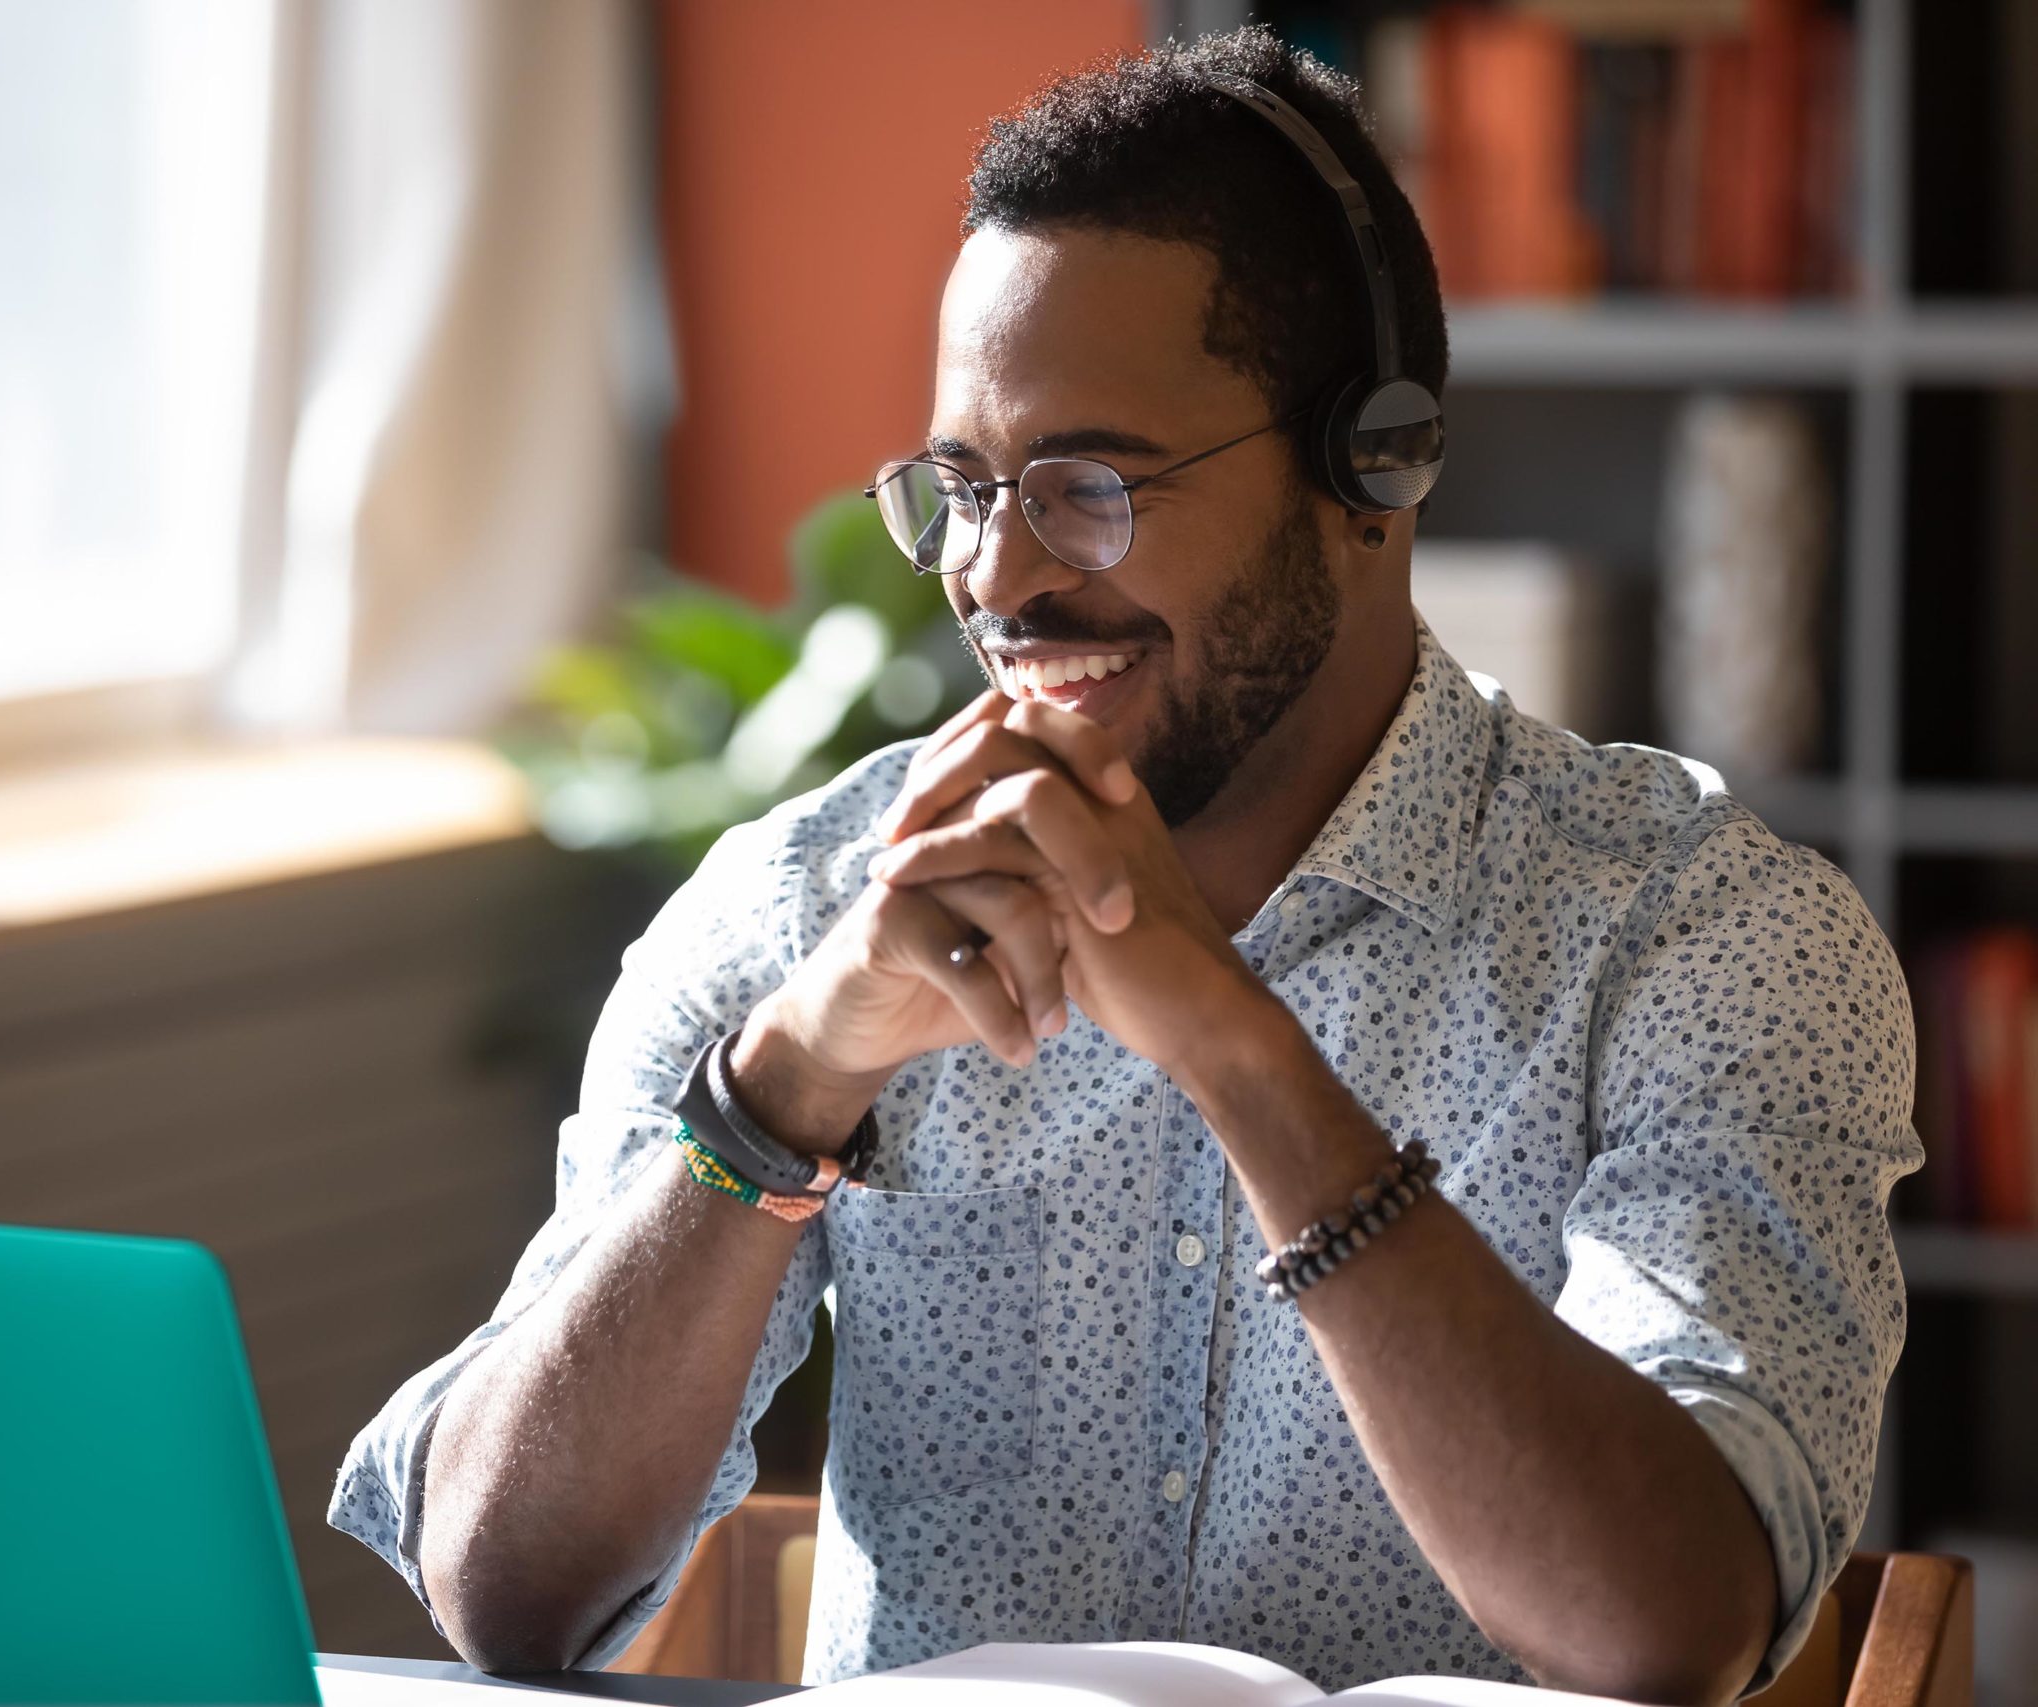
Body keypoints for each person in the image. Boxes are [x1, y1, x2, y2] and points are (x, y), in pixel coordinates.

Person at [331, 27, 1917, 1704]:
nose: (997, 577)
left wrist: (1238, 1051)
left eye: (1089, 486)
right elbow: (500, 1596)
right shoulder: (808, 904)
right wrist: (785, 1089)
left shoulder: (1711, 939)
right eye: (957, 487)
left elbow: (1666, 1629)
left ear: (1373, 467)